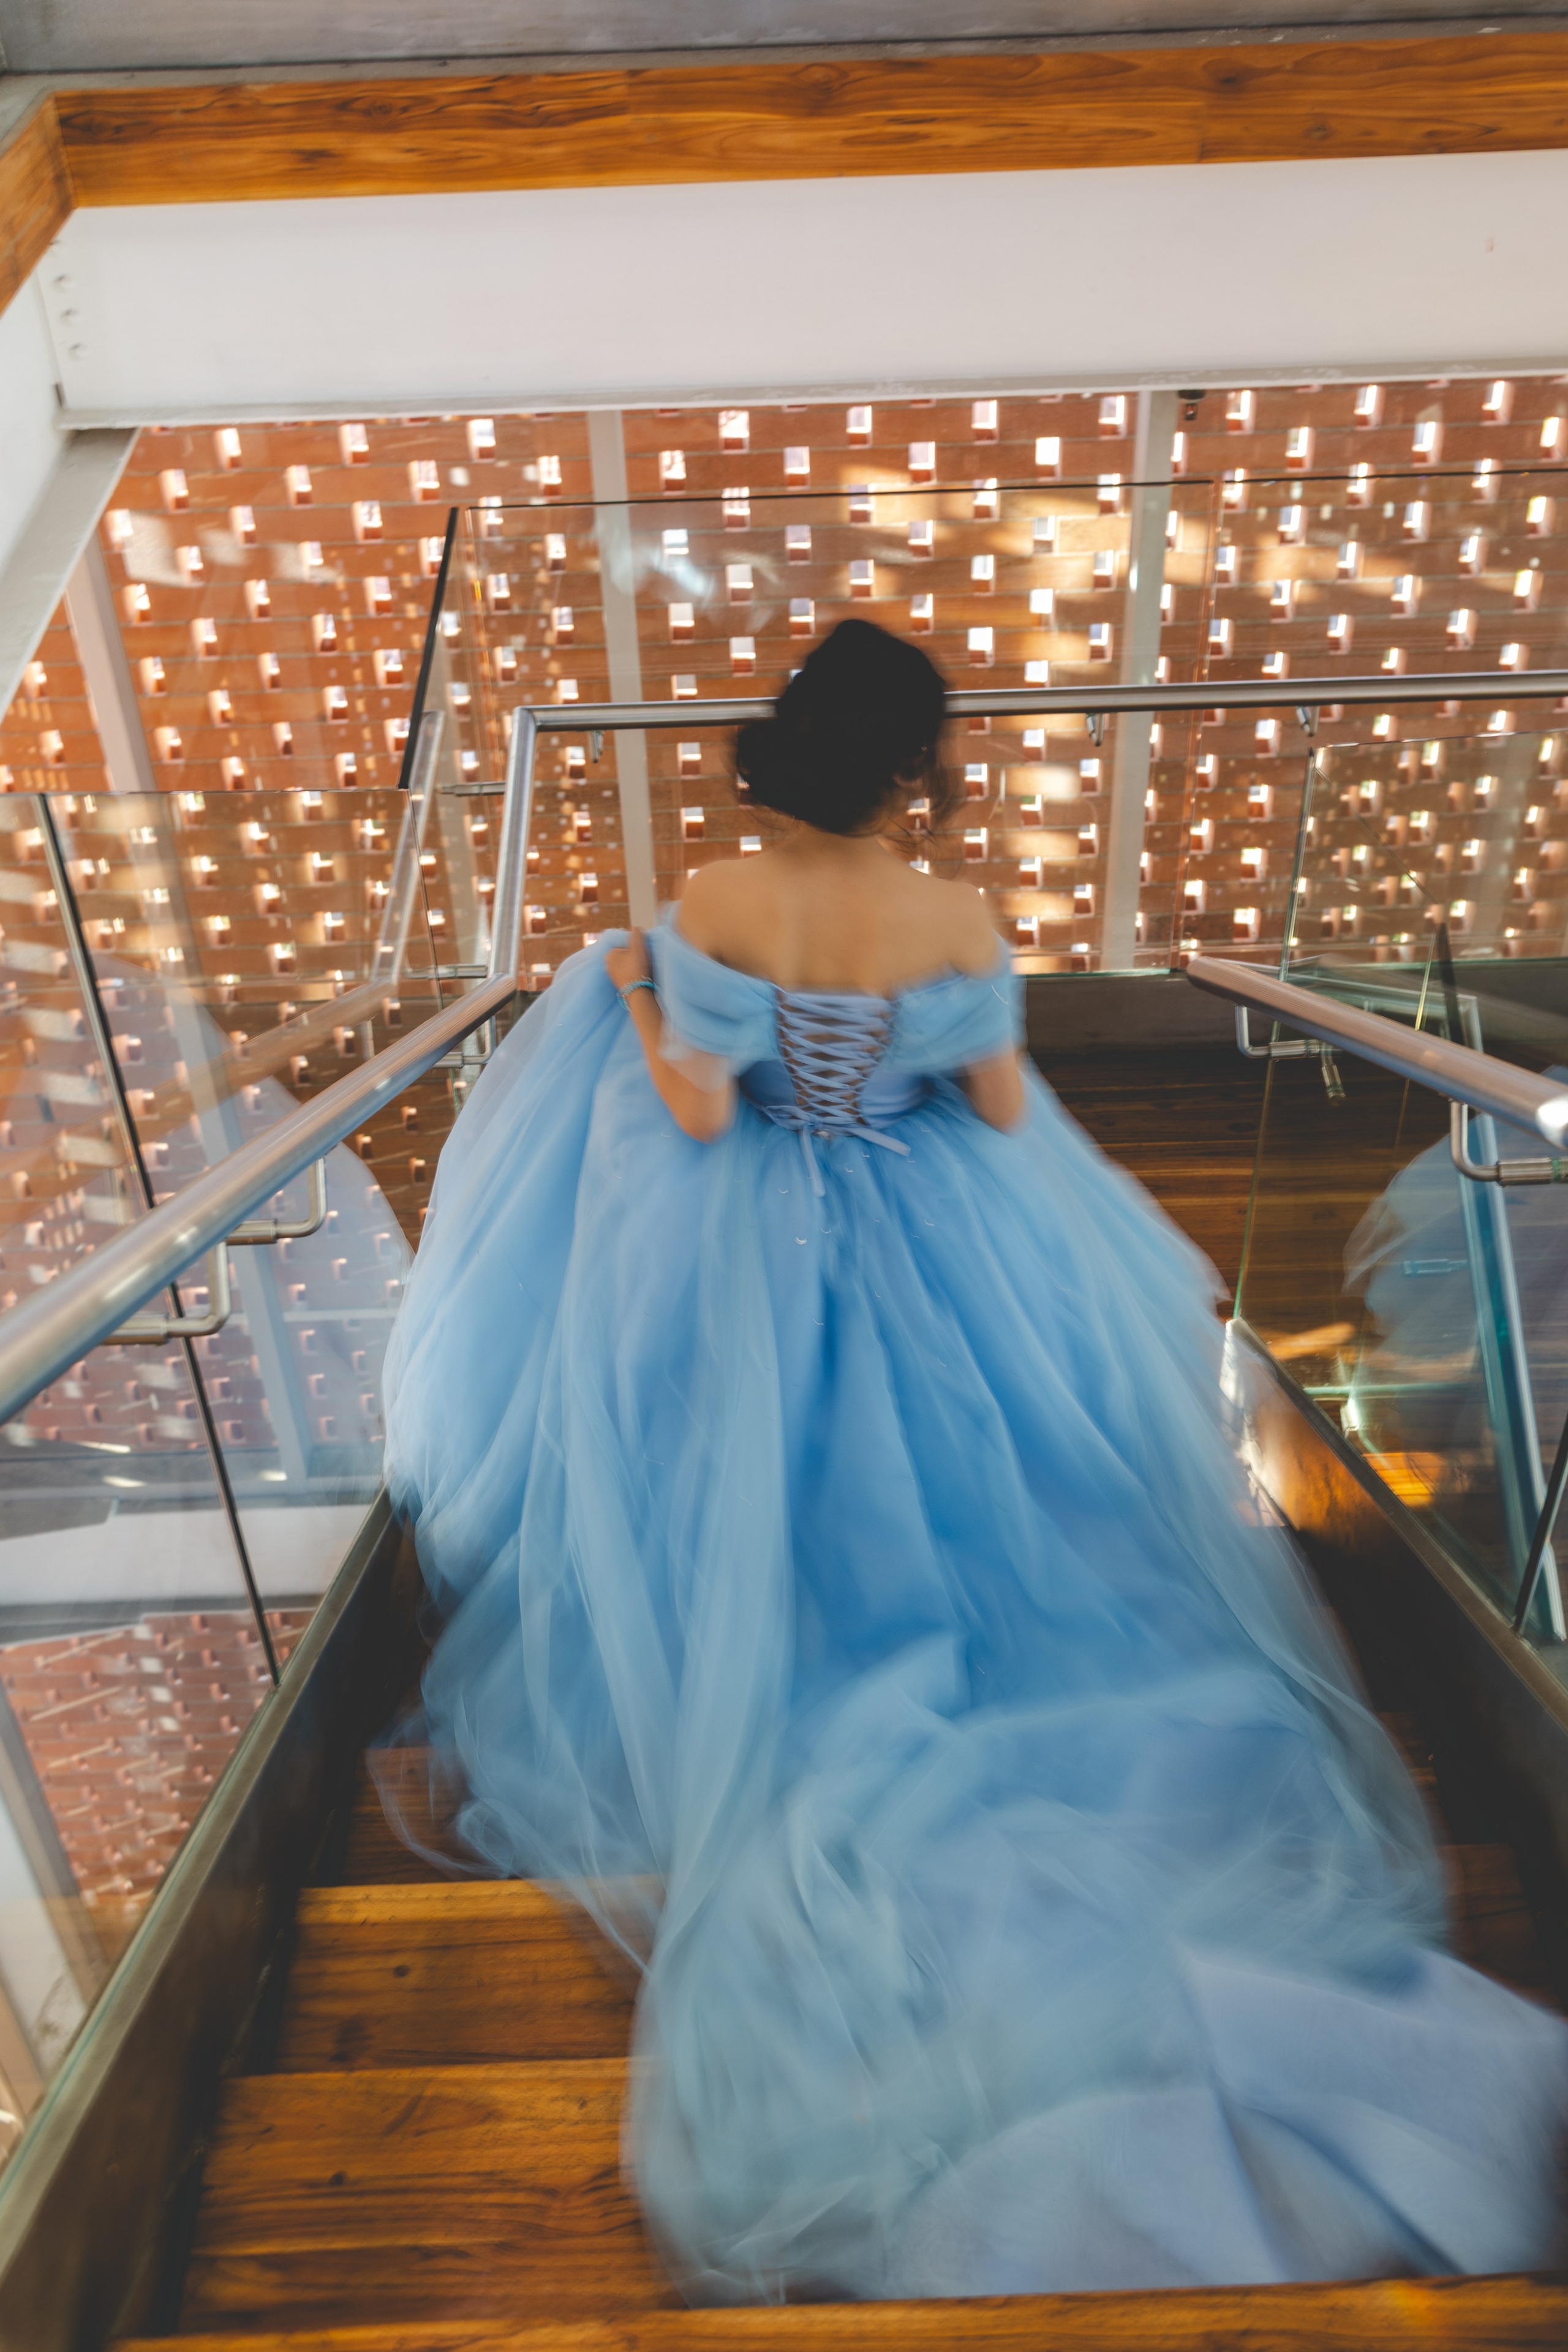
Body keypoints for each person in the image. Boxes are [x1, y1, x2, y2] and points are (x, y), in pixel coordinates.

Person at [380, 620, 1568, 2304]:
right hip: (936, 1234)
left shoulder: (714, 900)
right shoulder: (951, 921)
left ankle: (802, 1634)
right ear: (909, 770)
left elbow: (702, 1115)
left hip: (752, 1246)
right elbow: (1005, 1112)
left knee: (761, 1467)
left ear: (792, 744)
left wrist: (638, 992)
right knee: (991, 1469)